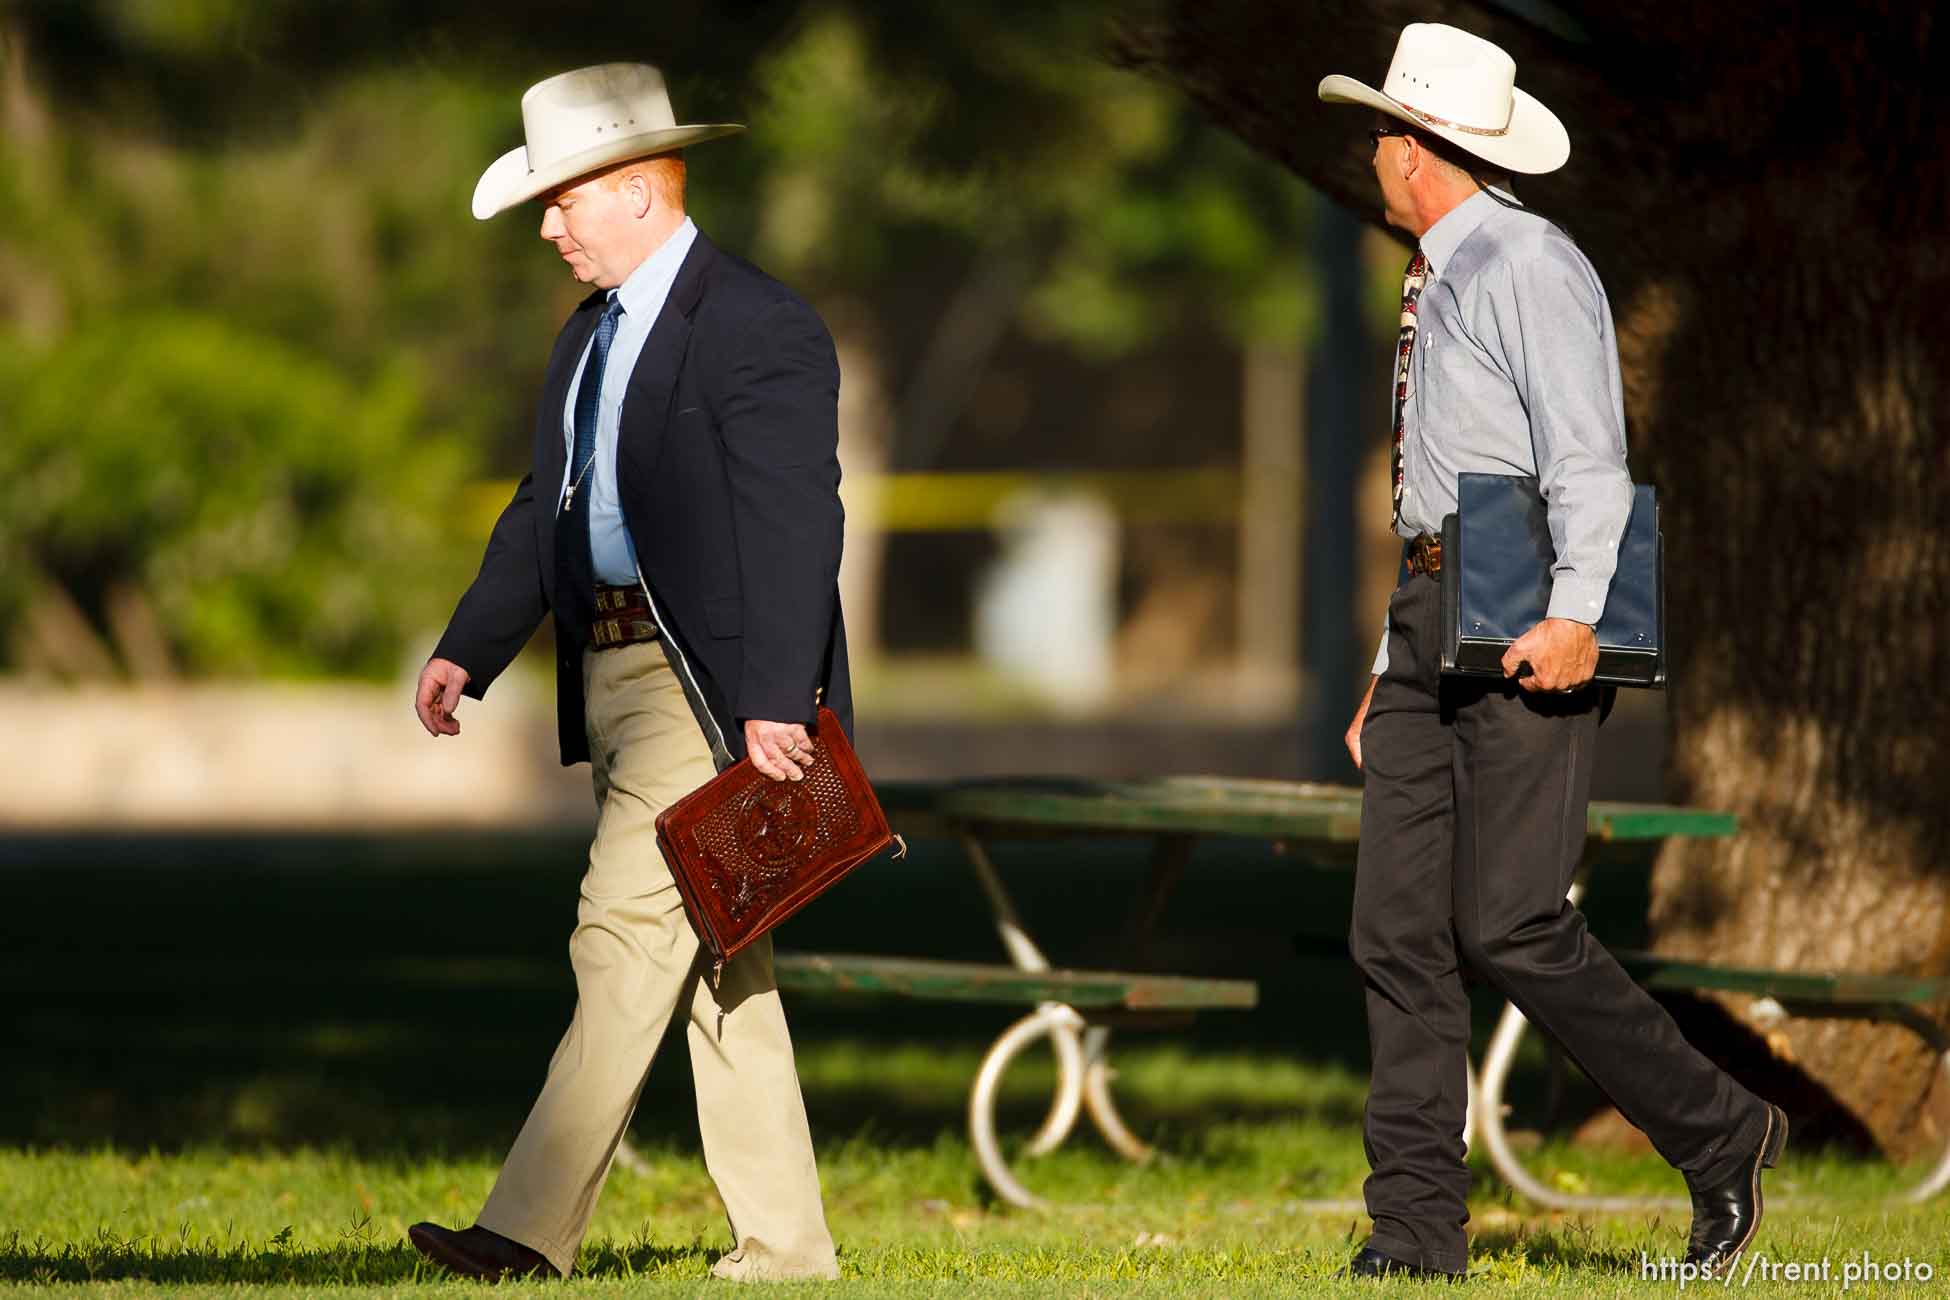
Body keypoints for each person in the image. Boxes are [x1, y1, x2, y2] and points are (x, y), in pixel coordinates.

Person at [1316, 24, 1784, 1281]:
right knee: (1395, 933)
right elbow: (1430, 492)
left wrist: (1579, 611)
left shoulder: (1527, 263)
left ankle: (1720, 1130)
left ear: (1414, 150)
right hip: (1428, 622)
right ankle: (1415, 1230)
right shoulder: (1432, 272)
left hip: (1529, 619)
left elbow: (1585, 456)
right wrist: (1385, 657)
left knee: (1513, 920)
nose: (1371, 150)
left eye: (1381, 131)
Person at [403, 62, 847, 1282]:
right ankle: (789, 1245)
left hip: (696, 693)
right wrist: (467, 646)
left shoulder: (758, 326)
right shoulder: (587, 337)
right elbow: (544, 508)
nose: (549, 225)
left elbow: (798, 524)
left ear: (642, 189)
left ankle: (524, 1229)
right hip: (606, 675)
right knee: (713, 955)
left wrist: (771, 699)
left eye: (564, 199)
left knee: (617, 934)